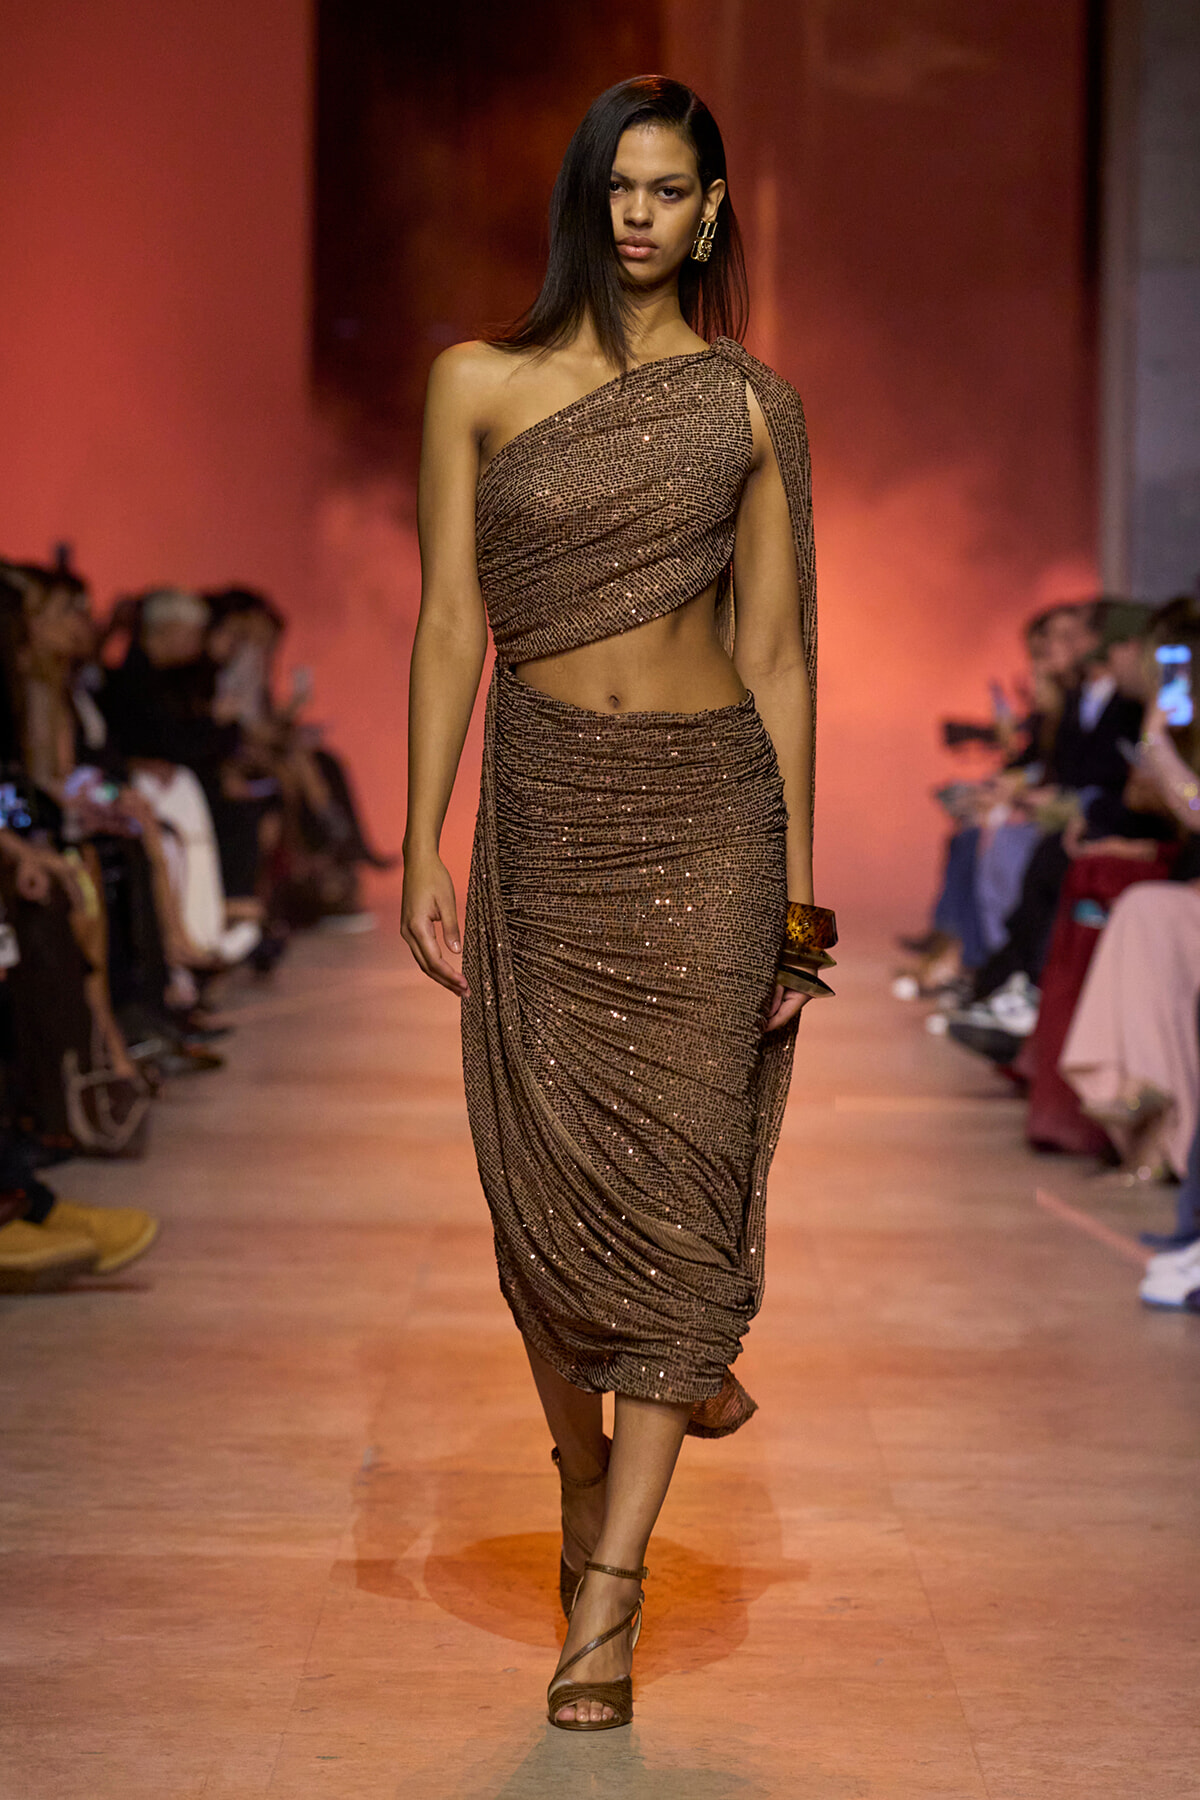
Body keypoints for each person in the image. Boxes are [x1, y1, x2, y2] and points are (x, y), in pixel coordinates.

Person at [401, 76, 829, 1732]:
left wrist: (798, 907)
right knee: (542, 1182)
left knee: (682, 1189)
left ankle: (612, 1591)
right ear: (588, 203)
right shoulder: (477, 381)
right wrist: (417, 840)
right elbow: (452, 619)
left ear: (712, 213)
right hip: (547, 819)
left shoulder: (753, 408)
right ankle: (579, 1465)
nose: (641, 214)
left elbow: (779, 650)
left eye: (671, 190)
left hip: (711, 823)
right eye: (619, 187)